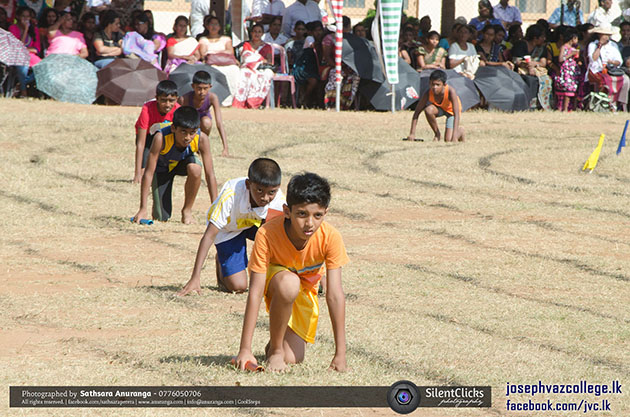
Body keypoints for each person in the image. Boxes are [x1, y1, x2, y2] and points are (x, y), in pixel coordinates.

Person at [235, 172, 349, 372]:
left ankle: (276, 347)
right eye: (302, 214)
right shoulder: (267, 234)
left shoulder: (331, 237)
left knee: (293, 358)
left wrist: (340, 355)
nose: (309, 224)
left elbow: (335, 294)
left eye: (317, 215)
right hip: (277, 285)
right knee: (289, 283)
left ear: (326, 212)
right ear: (287, 211)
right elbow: (255, 291)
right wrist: (245, 349)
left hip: (303, 291)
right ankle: (276, 351)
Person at [177, 158, 285, 294]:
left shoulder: (279, 200)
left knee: (280, 229)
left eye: (271, 192)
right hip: (228, 229)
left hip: (251, 224)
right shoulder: (231, 195)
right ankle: (221, 261)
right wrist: (195, 277)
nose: (265, 198)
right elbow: (209, 235)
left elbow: (293, 232)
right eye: (259, 190)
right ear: (248, 184)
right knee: (238, 286)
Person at [132, 106, 218, 224]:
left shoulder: (201, 139)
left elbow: (210, 174)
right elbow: (148, 172)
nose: (188, 137)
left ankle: (187, 211)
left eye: (192, 132)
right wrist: (143, 208)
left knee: (195, 169)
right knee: (161, 217)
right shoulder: (160, 138)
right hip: (162, 169)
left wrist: (216, 207)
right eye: (183, 132)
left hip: (183, 164)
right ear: (173, 128)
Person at [133, 80, 181, 184]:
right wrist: (137, 173)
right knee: (144, 173)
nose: (167, 104)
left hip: (168, 138)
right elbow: (141, 144)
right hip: (148, 138)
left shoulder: (178, 110)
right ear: (157, 98)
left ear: (176, 99)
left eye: (171, 100)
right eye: (163, 100)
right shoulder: (147, 109)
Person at [406, 70, 465, 143]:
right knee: (428, 110)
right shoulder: (428, 93)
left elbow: (456, 114)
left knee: (448, 140)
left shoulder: (451, 91)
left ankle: (460, 131)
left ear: (444, 85)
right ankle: (437, 134)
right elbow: (416, 113)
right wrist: (412, 134)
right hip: (441, 108)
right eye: (432, 84)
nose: (434, 87)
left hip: (451, 112)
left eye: (438, 85)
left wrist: (454, 136)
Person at [180, 71, 230, 157]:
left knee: (206, 122)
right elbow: (179, 120)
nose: (202, 92)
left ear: (210, 87)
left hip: (203, 123)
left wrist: (225, 148)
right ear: (193, 86)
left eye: (205, 88)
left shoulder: (212, 97)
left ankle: (201, 144)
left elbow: (219, 123)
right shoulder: (185, 99)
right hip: (190, 123)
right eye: (199, 88)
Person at [197, 15, 239, 106]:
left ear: (220, 27)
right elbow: (203, 53)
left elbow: (230, 52)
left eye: (216, 24)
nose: (214, 26)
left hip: (227, 64)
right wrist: (221, 52)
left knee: (234, 70)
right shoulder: (203, 39)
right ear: (207, 26)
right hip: (212, 65)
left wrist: (213, 52)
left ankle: (230, 99)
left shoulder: (226, 39)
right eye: (211, 24)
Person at [232, 23, 274, 109]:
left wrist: (259, 61)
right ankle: (241, 102)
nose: (257, 34)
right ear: (251, 33)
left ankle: (253, 102)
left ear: (262, 34)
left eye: (259, 32)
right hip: (246, 67)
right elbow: (242, 57)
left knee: (267, 74)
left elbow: (269, 61)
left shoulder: (267, 47)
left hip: (260, 68)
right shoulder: (245, 45)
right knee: (244, 74)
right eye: (255, 31)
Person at [587, 25, 629, 110]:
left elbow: (619, 61)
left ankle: (621, 104)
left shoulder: (613, 45)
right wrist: (599, 46)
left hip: (612, 70)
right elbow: (593, 59)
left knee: (626, 80)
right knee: (605, 81)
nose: (606, 37)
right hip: (596, 70)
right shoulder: (592, 45)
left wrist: (611, 62)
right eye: (604, 34)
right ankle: (604, 104)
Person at [512, 24, 552, 110]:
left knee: (546, 79)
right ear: (535, 38)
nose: (544, 39)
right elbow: (516, 60)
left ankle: (541, 104)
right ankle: (529, 104)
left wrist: (535, 64)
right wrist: (528, 65)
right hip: (521, 71)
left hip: (536, 71)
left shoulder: (541, 48)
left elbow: (543, 62)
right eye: (542, 37)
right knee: (530, 80)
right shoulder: (521, 45)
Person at [323, 15, 359, 110]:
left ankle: (345, 104)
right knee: (336, 75)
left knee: (355, 77)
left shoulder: (350, 39)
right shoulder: (329, 38)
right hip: (332, 66)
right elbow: (327, 58)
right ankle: (331, 104)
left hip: (347, 67)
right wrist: (340, 68)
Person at [9, 6, 41, 98]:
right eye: (23, 16)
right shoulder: (13, 28)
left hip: (31, 55)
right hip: (17, 56)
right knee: (23, 68)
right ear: (18, 17)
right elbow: (18, 46)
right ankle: (23, 91)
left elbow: (36, 48)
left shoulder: (34, 30)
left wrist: (25, 49)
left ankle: (20, 83)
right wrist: (25, 29)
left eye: (28, 17)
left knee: (42, 67)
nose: (26, 19)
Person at [554, 28, 581, 111]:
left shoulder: (574, 48)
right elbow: (561, 59)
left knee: (571, 90)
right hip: (566, 71)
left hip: (572, 71)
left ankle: (569, 107)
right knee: (566, 90)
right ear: (572, 38)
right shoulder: (564, 47)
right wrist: (570, 54)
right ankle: (563, 108)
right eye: (576, 38)